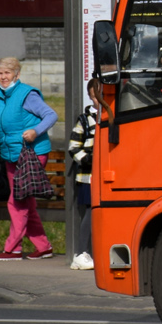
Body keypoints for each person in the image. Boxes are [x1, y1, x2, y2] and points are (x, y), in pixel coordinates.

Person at [0, 58, 57, 261]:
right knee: (25, 202)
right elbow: (3, 120)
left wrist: (35, 131)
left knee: (17, 201)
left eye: (7, 73)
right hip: (10, 153)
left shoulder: (27, 94)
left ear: (17, 74)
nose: (3, 77)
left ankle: (13, 248)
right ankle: (43, 246)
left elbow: (50, 115)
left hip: (32, 152)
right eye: (0, 73)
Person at [67, 78, 101, 270]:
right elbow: (73, 146)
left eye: (99, 96)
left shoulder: (110, 116)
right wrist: (86, 159)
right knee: (90, 213)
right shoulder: (85, 119)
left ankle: (93, 253)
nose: (96, 101)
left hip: (105, 174)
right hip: (88, 176)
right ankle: (81, 252)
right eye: (92, 97)